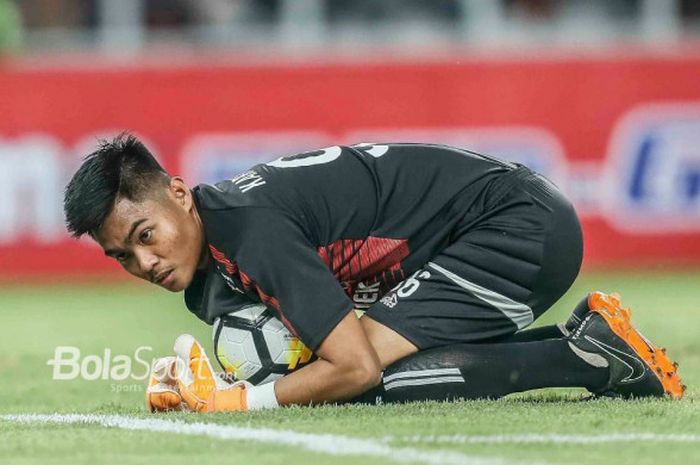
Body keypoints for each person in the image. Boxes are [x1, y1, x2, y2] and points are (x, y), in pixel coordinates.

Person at [63, 134, 684, 412]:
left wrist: (236, 402)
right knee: (345, 369)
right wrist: (189, 375)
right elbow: (281, 346)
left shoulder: (250, 231)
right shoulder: (216, 239)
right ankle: (592, 340)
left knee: (366, 380)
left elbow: (351, 366)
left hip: (517, 228)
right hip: (506, 219)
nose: (144, 263)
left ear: (178, 193)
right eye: (122, 256)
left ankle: (592, 360)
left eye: (144, 237)